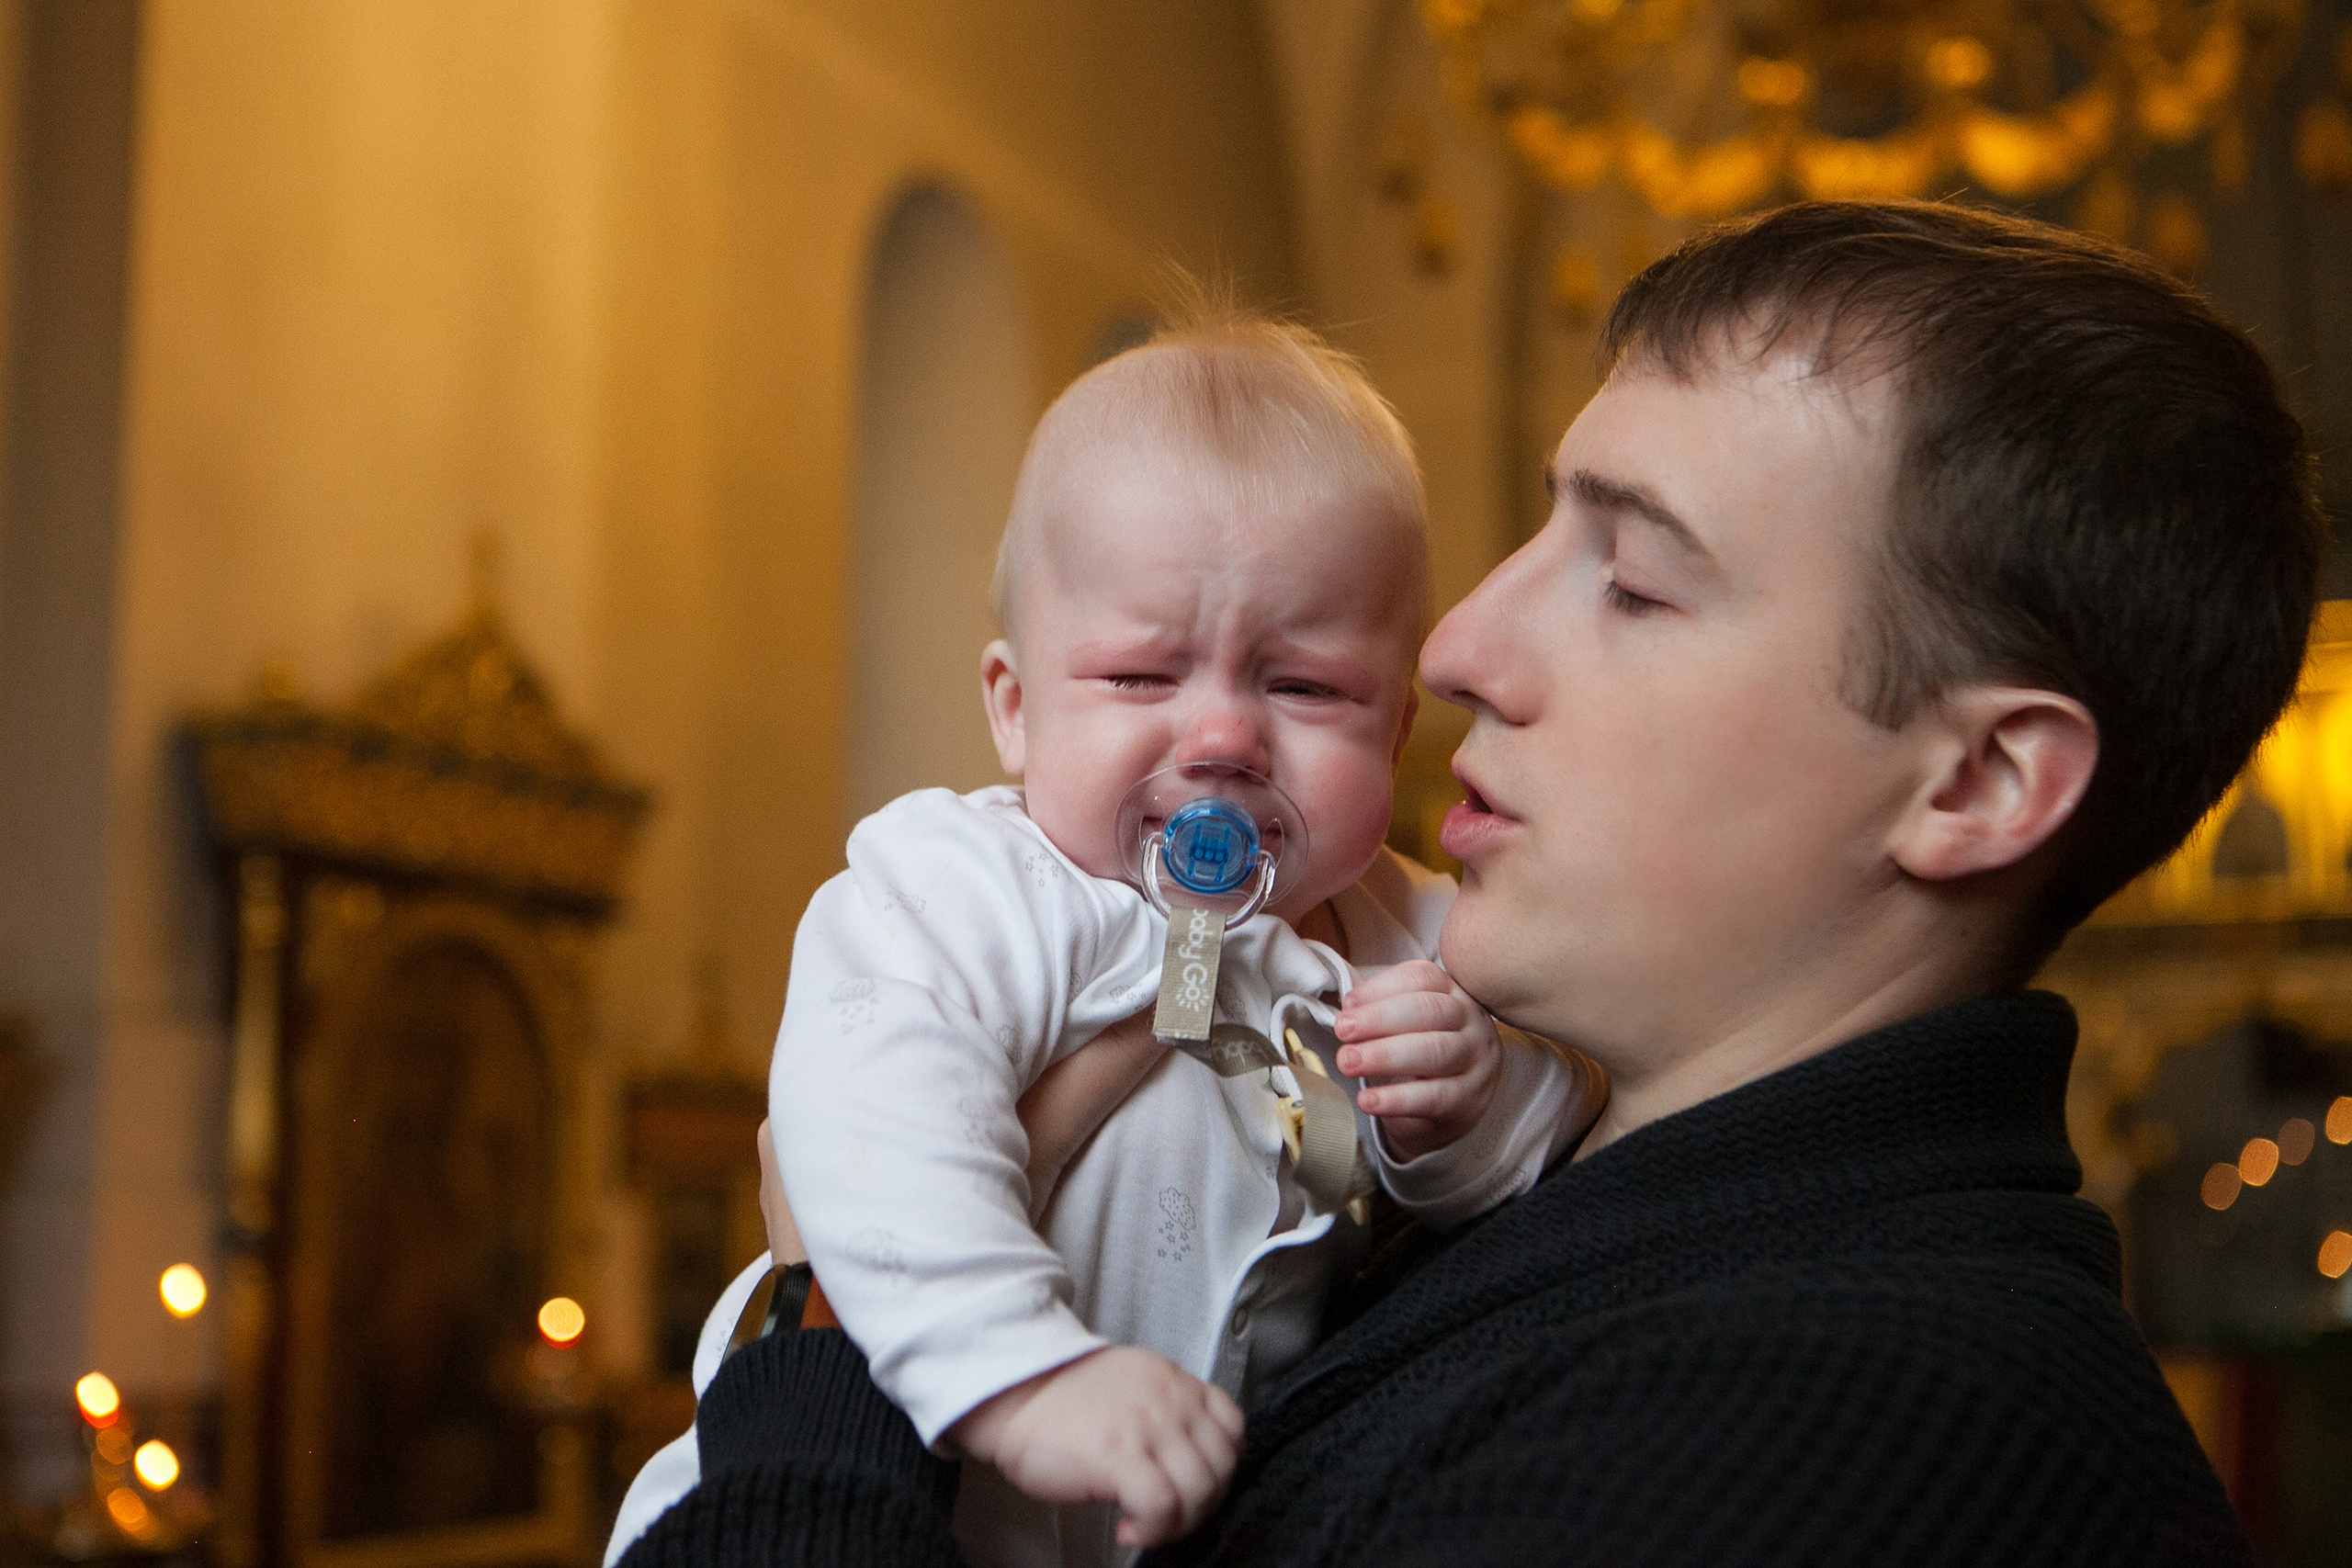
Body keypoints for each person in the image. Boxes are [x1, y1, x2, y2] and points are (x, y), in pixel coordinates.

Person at [621, 200, 2320, 1567]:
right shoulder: (1630, 1243)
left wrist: (827, 1336)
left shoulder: (1842, 1443)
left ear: (1976, 782)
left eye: (1634, 584)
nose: (1452, 650)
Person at [607, 303, 1593, 1568]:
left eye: (1303, 687)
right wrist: (1025, 1376)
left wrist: (1475, 1096)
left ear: (1395, 735)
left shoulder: (1412, 934)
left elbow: (1550, 1143)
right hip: (881, 1491)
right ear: (1016, 713)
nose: (1225, 738)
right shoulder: (969, 887)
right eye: (1141, 677)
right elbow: (871, 1128)